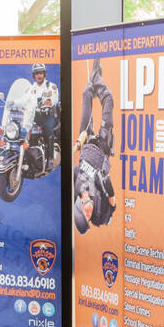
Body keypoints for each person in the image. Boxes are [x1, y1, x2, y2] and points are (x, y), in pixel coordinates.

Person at [74, 59, 116, 233]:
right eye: (88, 217)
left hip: (86, 141)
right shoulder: (100, 214)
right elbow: (113, 204)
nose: (88, 212)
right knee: (108, 99)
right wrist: (105, 183)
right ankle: (96, 75)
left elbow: (72, 168)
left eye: (85, 212)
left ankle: (95, 75)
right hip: (101, 148)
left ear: (79, 206)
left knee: (86, 94)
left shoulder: (76, 189)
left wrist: (77, 143)